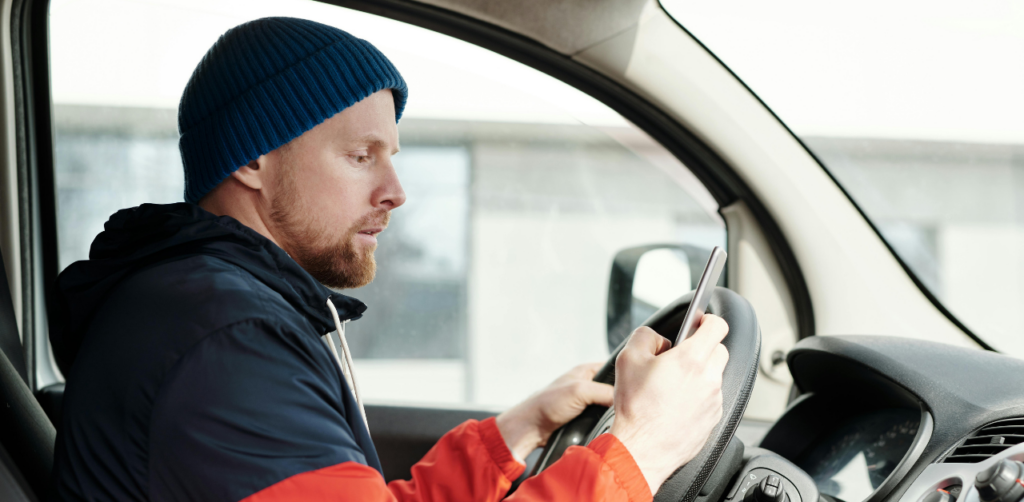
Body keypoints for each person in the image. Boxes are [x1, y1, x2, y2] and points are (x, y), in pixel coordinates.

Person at [50, 17, 730, 502]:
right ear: (253, 160)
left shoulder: (214, 310)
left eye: (392, 156)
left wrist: (518, 431)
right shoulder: (223, 342)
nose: (396, 193)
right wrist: (643, 448)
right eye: (359, 156)